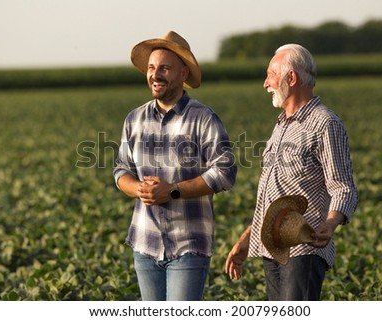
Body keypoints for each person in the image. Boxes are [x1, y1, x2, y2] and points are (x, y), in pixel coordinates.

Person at [225, 44, 358, 300]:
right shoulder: (281, 126)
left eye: (271, 75)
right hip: (272, 249)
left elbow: (343, 187)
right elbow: (273, 195)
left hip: (303, 250)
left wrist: (330, 224)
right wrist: (246, 239)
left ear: (292, 78)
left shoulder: (324, 123)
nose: (265, 84)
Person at [113, 31, 237, 301]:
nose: (156, 75)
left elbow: (226, 172)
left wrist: (173, 191)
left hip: (188, 245)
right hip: (145, 245)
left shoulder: (203, 118)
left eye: (165, 69)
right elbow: (121, 170)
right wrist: (138, 189)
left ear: (183, 75)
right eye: (151, 68)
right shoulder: (134, 118)